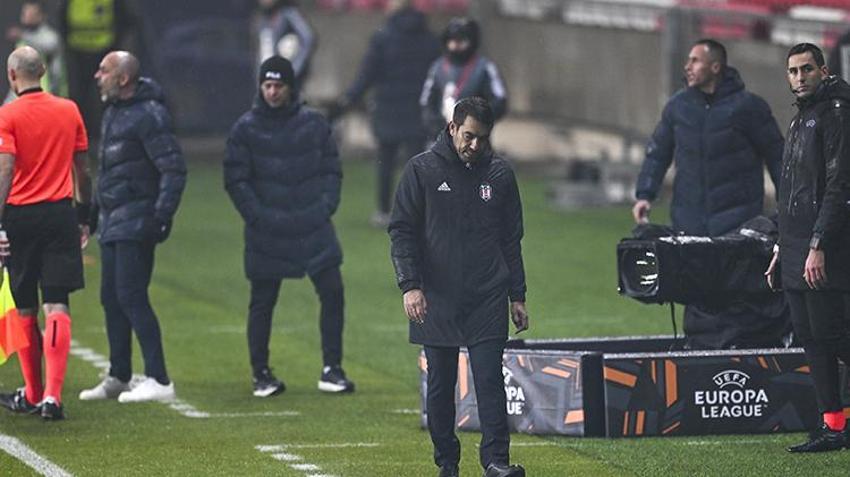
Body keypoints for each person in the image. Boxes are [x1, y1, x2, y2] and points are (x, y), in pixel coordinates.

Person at [389, 97, 527, 477]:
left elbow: (511, 240)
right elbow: (402, 232)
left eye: (483, 138)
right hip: (436, 296)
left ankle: (496, 462)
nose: (475, 145)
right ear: (452, 128)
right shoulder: (421, 170)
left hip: (487, 294)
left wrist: (518, 295)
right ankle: (447, 463)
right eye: (469, 136)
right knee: (440, 385)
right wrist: (410, 286)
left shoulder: (500, 176)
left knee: (489, 380)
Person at [632, 38, 786, 349]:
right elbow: (658, 152)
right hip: (690, 221)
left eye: (695, 61)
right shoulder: (678, 107)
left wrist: (790, 205)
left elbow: (778, 156)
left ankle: (739, 350)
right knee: (695, 292)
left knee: (736, 291)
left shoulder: (749, 108)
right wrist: (645, 193)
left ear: (716, 67)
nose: (687, 67)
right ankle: (698, 351)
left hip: (738, 221)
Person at [224, 56, 355, 397]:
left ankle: (332, 369)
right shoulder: (245, 128)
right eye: (266, 85)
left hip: (312, 225)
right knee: (263, 300)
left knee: (333, 292)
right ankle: (261, 374)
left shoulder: (314, 124)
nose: (272, 92)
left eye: (278, 85)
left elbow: (332, 169)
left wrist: (325, 207)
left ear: (290, 87)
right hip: (266, 230)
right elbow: (236, 180)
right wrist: (258, 216)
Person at [77, 51, 186, 403]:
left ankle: (159, 378)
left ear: (123, 79)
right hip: (113, 220)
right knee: (111, 298)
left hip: (137, 220)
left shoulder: (150, 115)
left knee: (131, 295)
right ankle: (120, 374)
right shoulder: (113, 114)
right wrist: (92, 218)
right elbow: (108, 173)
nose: (97, 76)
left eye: (104, 70)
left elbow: (173, 168)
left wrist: (160, 215)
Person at [765, 43, 850, 453]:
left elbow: (838, 187)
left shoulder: (836, 115)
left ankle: (838, 423)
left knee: (831, 335)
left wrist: (818, 244)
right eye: (793, 72)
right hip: (796, 246)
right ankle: (832, 426)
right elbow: (791, 192)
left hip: (824, 248)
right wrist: (783, 244)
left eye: (807, 70)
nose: (800, 77)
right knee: (811, 338)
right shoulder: (801, 119)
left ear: (823, 70)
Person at [0, 46, 92, 420]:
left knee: (25, 306)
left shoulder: (7, 114)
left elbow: (5, 171)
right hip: (60, 214)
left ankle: (33, 392)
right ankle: (52, 397)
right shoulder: (69, 110)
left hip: (21, 216)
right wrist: (84, 214)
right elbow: (82, 167)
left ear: (12, 76)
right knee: (57, 302)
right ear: (43, 72)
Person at [328, 0, 440, 228]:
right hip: (417, 110)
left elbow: (366, 75)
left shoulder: (383, 37)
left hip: (387, 108)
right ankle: (416, 212)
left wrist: (347, 101)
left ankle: (383, 211)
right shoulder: (429, 39)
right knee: (416, 164)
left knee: (385, 163)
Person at [420, 17, 508, 141]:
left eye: (461, 41)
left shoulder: (485, 68)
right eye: (452, 41)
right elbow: (427, 102)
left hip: (474, 139)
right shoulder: (437, 67)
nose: (456, 45)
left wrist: (477, 119)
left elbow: (500, 101)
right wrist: (435, 124)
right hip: (441, 137)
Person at [59, 0, 136, 138]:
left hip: (104, 49)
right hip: (78, 53)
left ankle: (110, 133)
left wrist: (114, 45)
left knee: (109, 94)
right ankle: (83, 135)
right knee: (80, 95)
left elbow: (124, 20)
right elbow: (63, 20)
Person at [4, 0, 66, 104]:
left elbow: (50, 45)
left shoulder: (49, 36)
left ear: (41, 15)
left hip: (43, 94)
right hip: (20, 94)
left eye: (32, 13)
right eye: (25, 12)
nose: (27, 15)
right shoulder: (23, 38)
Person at [253, 0, 315, 88]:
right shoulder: (261, 18)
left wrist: (293, 69)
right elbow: (262, 51)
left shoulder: (289, 14)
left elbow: (308, 38)